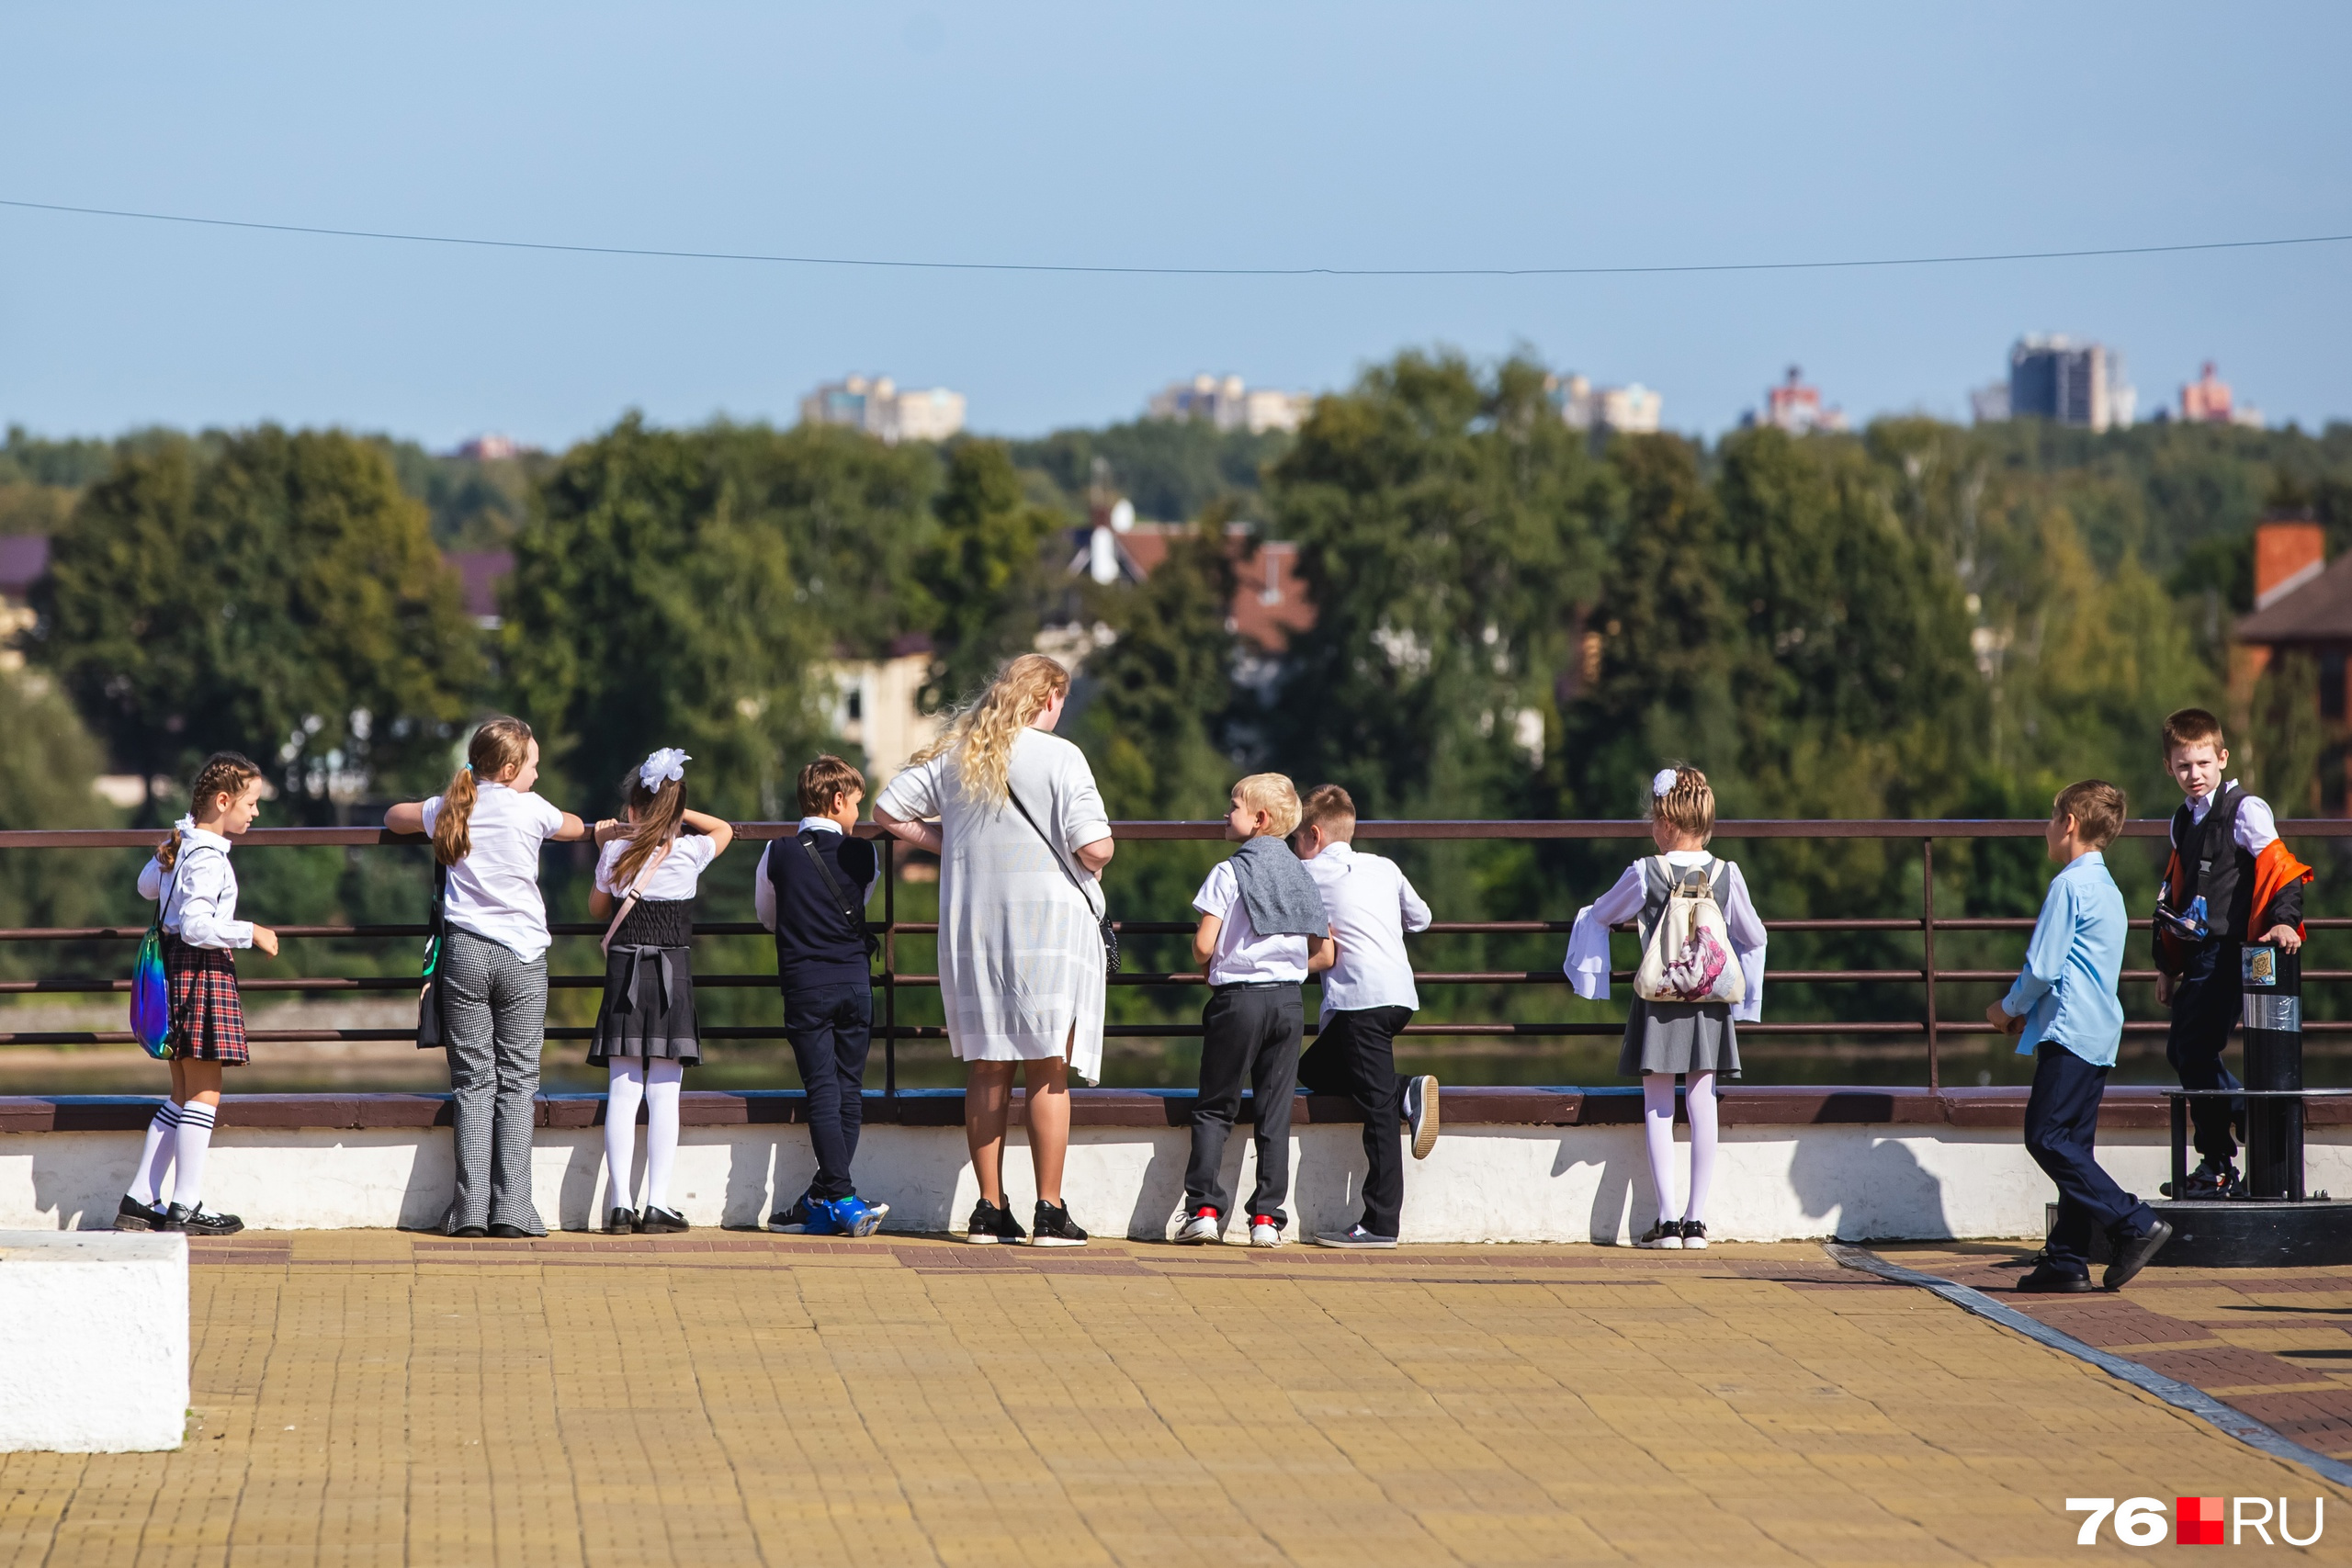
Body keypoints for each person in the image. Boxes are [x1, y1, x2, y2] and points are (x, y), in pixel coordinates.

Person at [874, 654, 1113, 1247]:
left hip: (974, 928)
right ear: (1048, 698)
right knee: (1048, 1069)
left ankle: (988, 1208)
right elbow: (1096, 848)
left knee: (987, 1066)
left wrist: (949, 843)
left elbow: (886, 811)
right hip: (1048, 931)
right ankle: (1050, 1211)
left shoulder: (961, 753)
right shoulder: (1063, 758)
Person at [385, 717, 590, 1238]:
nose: (538, 775)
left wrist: (437, 803)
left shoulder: (453, 805)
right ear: (510, 768)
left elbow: (395, 816)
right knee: (519, 1082)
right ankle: (514, 1210)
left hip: (468, 954)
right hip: (523, 957)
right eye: (534, 766)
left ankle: (469, 1211)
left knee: (473, 1082)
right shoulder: (532, 809)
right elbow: (571, 824)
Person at [1565, 766, 1766, 1250]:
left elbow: (1602, 914)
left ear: (1668, 822)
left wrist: (1589, 965)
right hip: (1709, 1002)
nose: (1649, 828)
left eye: (1652, 819)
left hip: (1658, 999)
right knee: (1702, 1104)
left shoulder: (1645, 872)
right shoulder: (1726, 874)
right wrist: (1746, 1002)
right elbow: (1754, 936)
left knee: (1657, 1106)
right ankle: (1697, 1223)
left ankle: (1668, 1221)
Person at [1990, 780, 2174, 1292]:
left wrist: (2006, 1009)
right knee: (2073, 1147)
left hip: (2068, 1031)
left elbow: (2044, 968)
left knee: (2045, 1137)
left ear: (2068, 823)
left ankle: (2134, 1222)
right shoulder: (2110, 889)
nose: (2047, 829)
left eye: (2052, 819)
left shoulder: (2068, 886)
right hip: (2098, 1033)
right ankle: (2067, 1261)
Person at [115, 751, 281, 1237]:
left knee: (183, 1093)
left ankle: (141, 1198)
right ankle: (185, 1205)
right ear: (223, 801)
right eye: (250, 803)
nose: (255, 812)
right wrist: (250, 932)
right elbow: (195, 926)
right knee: (205, 1095)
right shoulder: (208, 857)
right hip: (201, 973)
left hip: (173, 975)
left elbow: (147, 886)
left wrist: (173, 840)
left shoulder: (184, 844)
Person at [2153, 707, 2313, 1198]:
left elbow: (2280, 868)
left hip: (2232, 952)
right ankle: (2240, 1116)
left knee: (2191, 1048)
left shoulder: (2245, 810)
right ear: (2169, 768)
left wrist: (2285, 921)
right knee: (2186, 1048)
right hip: (2200, 954)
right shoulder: (2183, 820)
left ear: (2222, 757)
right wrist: (2167, 967)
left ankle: (2220, 1159)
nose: (2194, 775)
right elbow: (2177, 896)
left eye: (2203, 763)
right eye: (2183, 766)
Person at [1176, 773, 1336, 1248]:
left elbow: (1204, 946)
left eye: (1234, 807)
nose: (1226, 814)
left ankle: (1203, 1209)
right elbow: (1325, 954)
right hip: (1288, 1001)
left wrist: (1214, 956)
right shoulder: (1300, 874)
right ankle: (1266, 1218)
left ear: (1259, 819)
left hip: (1238, 1002)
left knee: (1214, 1107)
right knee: (1274, 1112)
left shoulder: (1229, 872)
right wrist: (1283, 963)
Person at [586, 748, 732, 1236]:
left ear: (631, 807)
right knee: (665, 1092)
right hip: (673, 976)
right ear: (674, 811)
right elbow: (724, 829)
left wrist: (613, 836)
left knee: (623, 1090)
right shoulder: (688, 851)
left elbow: (595, 908)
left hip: (624, 974)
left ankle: (619, 1205)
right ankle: (658, 1203)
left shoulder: (614, 852)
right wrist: (677, 812)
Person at [1290, 784, 1437, 1250]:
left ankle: (1380, 1224)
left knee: (1377, 1113)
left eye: (1296, 838)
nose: (1294, 848)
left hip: (1359, 1003)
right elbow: (1422, 919)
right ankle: (1403, 1091)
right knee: (1312, 1070)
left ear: (1313, 834)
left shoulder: (1308, 874)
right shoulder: (1384, 866)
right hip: (1399, 998)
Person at [755, 754, 888, 1238]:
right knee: (848, 1089)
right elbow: (860, 905)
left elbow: (767, 916)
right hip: (855, 983)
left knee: (822, 1091)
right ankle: (826, 1197)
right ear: (837, 801)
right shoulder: (865, 854)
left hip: (806, 985)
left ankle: (839, 1198)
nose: (860, 813)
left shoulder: (778, 851)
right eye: (857, 803)